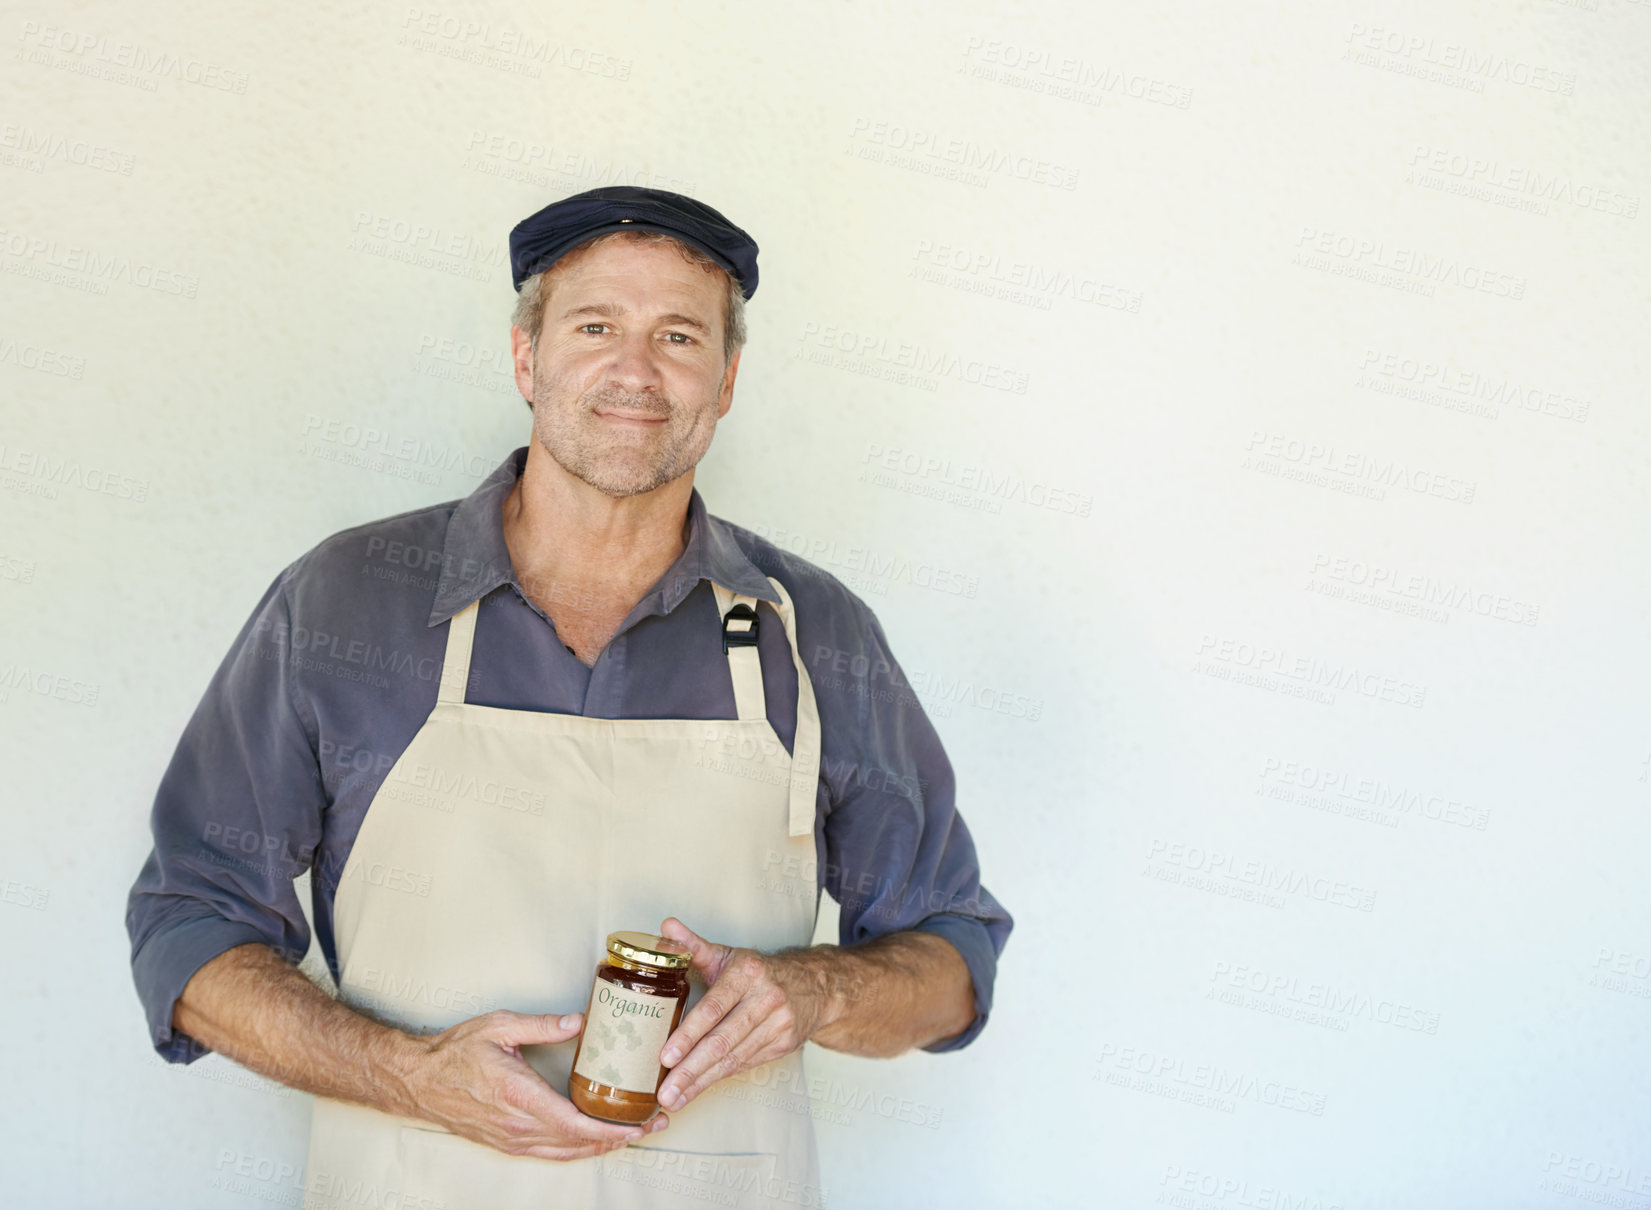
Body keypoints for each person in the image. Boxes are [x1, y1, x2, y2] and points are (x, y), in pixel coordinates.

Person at [125, 185, 1013, 1206]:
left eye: (679, 336)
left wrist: (814, 992)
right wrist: (402, 1073)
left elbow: (954, 958)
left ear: (725, 380)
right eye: (595, 326)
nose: (635, 371)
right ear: (525, 359)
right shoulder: (345, 604)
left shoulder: (811, 633)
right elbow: (187, 929)